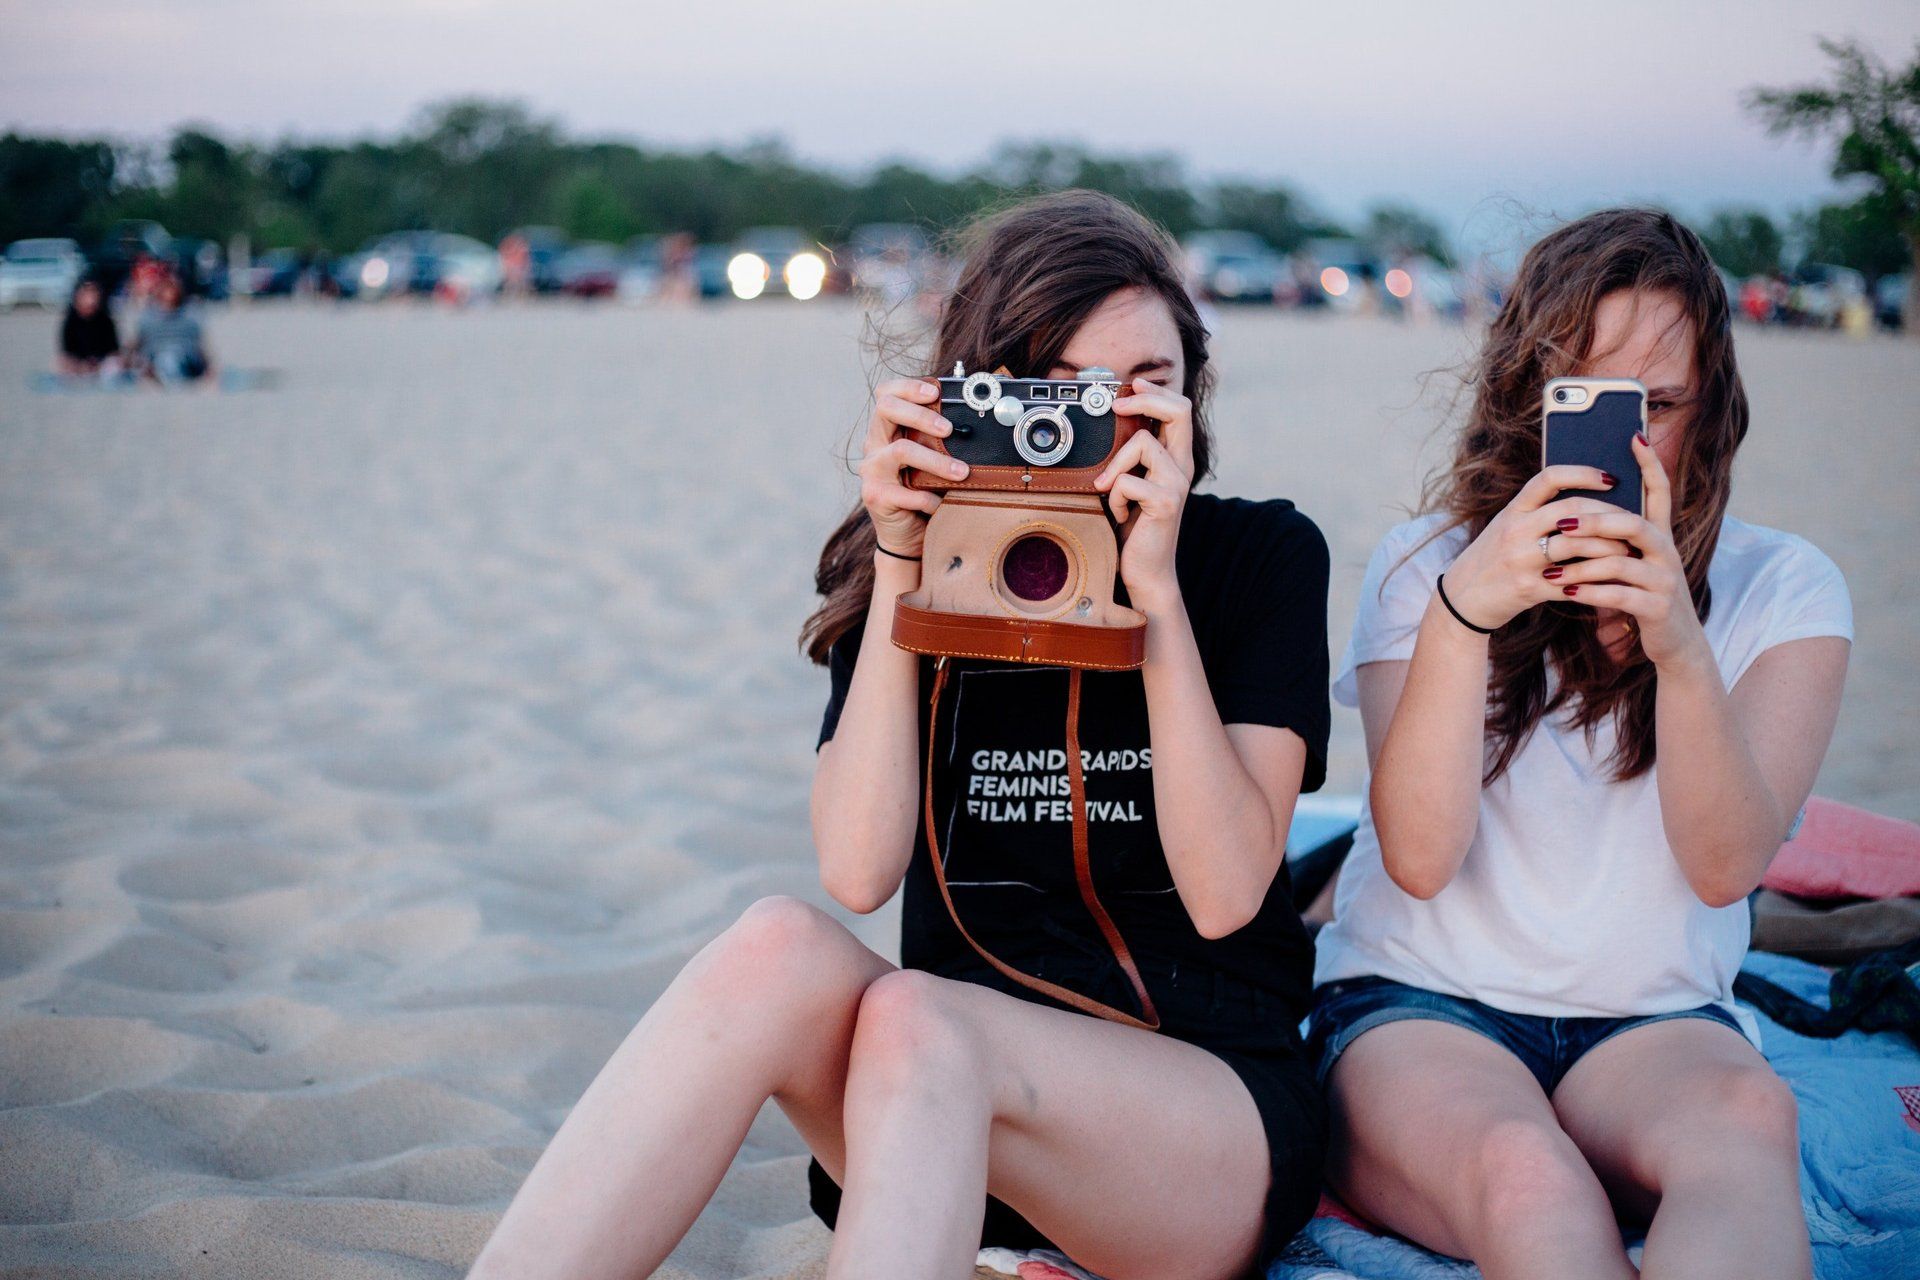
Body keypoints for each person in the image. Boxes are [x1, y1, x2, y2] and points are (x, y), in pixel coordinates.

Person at [469, 189, 1332, 1280]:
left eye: (1146, 389)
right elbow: (858, 866)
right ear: (981, 398)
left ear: (1194, 395)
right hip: (933, 1102)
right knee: (776, 944)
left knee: (924, 1017)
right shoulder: (916, 562)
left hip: (1193, 1127)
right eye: (1059, 394)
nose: (1106, 426)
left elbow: (1224, 890)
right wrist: (899, 564)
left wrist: (1151, 595)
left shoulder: (1256, 557)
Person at [1309, 208, 1850, 1280]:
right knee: (1526, 1171)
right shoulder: (1430, 565)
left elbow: (1724, 865)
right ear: (1525, 405)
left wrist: (1679, 648)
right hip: (1418, 1003)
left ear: (1714, 413)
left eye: (1655, 406)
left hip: (1651, 1019)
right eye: (1589, 407)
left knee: (1748, 1118)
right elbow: (1417, 856)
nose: (1627, 446)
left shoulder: (1784, 588)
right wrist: (1468, 616)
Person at [127, 272, 215, 385]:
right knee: (165, 360)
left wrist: (210, 367)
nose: (169, 295)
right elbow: (137, 342)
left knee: (171, 359)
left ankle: (169, 379)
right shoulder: (148, 317)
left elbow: (200, 345)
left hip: (185, 359)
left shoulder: (189, 315)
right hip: (154, 358)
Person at [58, 277, 120, 378]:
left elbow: (113, 350)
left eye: (94, 294)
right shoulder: (71, 320)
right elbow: (67, 351)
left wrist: (96, 363)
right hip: (78, 364)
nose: (91, 299)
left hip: (100, 364)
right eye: (87, 294)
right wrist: (80, 364)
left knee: (114, 365)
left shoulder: (105, 319)